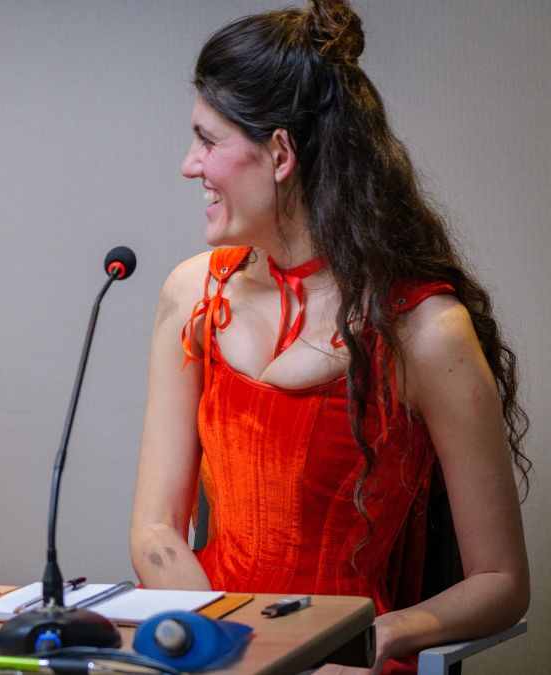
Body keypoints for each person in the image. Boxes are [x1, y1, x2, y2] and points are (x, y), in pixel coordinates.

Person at [129, 1, 529, 672]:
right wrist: (219, 642)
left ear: (280, 153)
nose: (188, 165)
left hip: (345, 660)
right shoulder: (191, 293)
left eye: (207, 139)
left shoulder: (426, 331)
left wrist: (376, 636)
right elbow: (155, 527)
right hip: (210, 652)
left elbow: (502, 582)